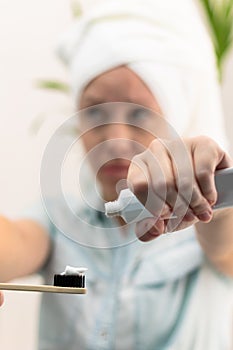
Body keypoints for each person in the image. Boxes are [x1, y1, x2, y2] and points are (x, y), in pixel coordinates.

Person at [1, 0, 233, 349]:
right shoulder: (56, 220)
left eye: (139, 115)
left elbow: (225, 243)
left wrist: (213, 193)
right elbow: (14, 244)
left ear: (177, 115)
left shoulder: (208, 229)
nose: (114, 139)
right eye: (95, 114)